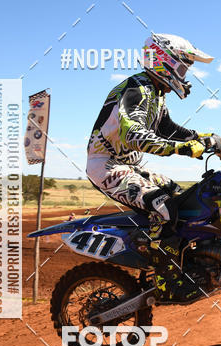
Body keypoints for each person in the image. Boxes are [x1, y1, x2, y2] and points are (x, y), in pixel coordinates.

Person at [86, 33, 214, 301]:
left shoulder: (155, 93)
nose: (185, 74)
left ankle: (186, 262)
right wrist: (179, 148)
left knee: (183, 197)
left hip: (131, 166)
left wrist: (200, 138)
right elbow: (133, 133)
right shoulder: (135, 89)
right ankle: (166, 284)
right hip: (107, 166)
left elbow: (167, 128)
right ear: (164, 62)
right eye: (182, 67)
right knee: (164, 207)